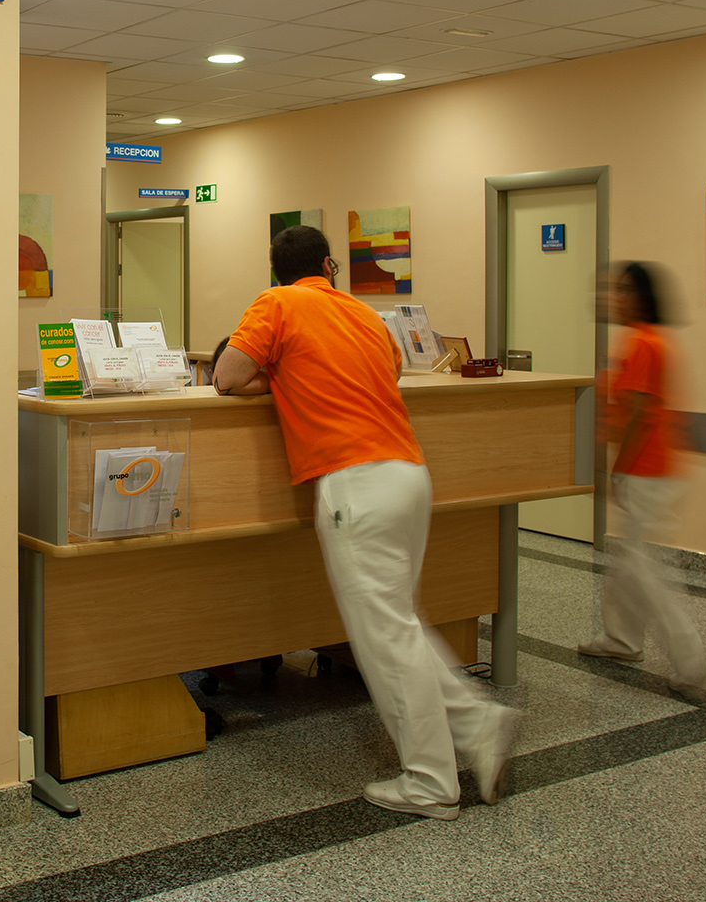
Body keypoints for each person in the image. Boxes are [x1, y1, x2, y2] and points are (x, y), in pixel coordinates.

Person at [212, 225, 517, 820]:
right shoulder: (367, 316)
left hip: (354, 483)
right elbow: (389, 374)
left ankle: (431, 780)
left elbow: (225, 376)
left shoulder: (276, 302)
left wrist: (273, 375)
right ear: (329, 266)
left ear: (276, 270)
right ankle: (479, 725)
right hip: (407, 474)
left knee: (386, 636)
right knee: (397, 623)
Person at [579, 263, 706, 698]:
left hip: (646, 471)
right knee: (630, 562)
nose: (616, 297)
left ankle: (691, 664)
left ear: (644, 297)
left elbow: (637, 413)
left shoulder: (642, 343)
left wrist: (620, 468)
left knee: (647, 570)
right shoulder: (646, 340)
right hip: (655, 469)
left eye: (625, 291)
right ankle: (620, 639)